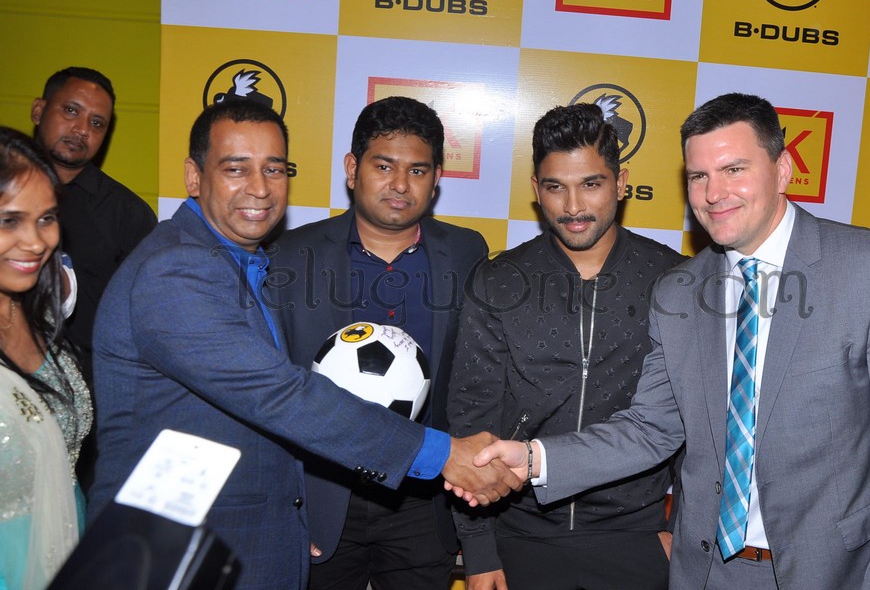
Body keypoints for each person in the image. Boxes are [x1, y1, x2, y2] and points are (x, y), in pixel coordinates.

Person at [469, 93, 870, 590]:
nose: (714, 193)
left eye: (734, 170)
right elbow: (651, 428)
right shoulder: (678, 290)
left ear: (783, 170)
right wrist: (534, 459)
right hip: (705, 571)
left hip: (831, 571)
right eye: (699, 176)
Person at [87, 100, 519, 590]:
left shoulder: (241, 264)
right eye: (236, 168)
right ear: (193, 176)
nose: (259, 187)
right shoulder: (177, 270)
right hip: (170, 543)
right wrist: (442, 455)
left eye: (274, 169)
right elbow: (282, 395)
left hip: (237, 535)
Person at [447, 103, 683, 590]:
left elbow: (700, 423)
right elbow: (471, 418)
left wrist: (680, 531)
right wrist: (479, 550)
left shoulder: (672, 279)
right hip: (518, 538)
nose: (573, 206)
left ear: (621, 183)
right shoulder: (498, 280)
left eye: (591, 184)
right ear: (537, 190)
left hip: (638, 538)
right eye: (556, 187)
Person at [269, 96, 489, 590]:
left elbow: (474, 384)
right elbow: (270, 392)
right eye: (384, 166)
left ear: (436, 179)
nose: (400, 184)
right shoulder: (290, 255)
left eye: (417, 170)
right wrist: (284, 509)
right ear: (353, 169)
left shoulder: (466, 251)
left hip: (423, 502)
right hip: (324, 499)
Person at [0, 127, 93, 590]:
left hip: (71, 555)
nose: (36, 242)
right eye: (9, 221)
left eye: (46, 218)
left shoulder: (41, 311)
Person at [30, 67, 157, 384]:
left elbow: (146, 324)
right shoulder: (6, 189)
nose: (82, 129)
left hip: (89, 392)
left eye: (97, 123)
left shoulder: (128, 215)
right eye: (71, 110)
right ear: (38, 110)